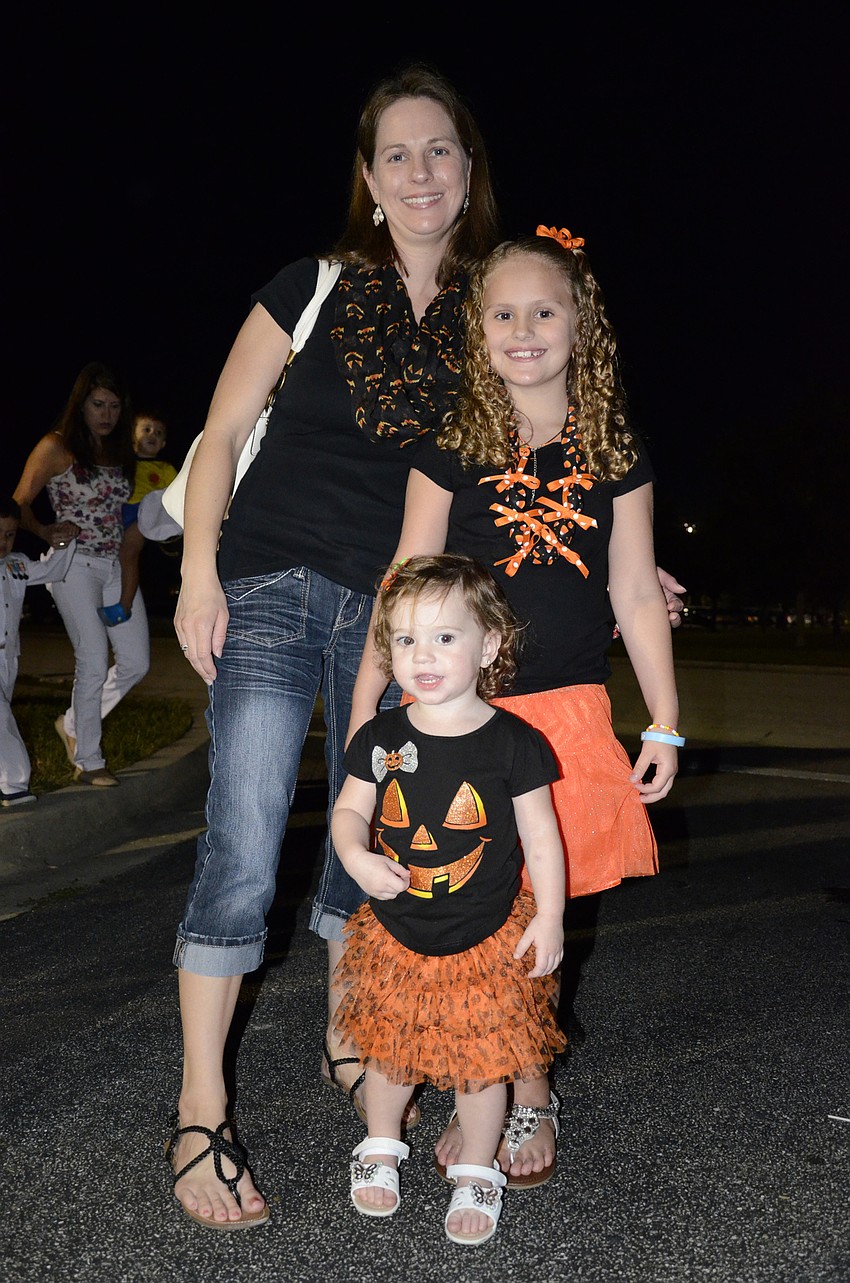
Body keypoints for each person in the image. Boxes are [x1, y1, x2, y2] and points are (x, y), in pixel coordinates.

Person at [168, 63, 683, 1229]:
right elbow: (222, 427)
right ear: (366, 176)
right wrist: (199, 569)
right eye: (394, 152)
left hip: (406, 618)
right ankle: (201, 1107)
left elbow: (532, 438)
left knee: (386, 842)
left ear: (469, 171)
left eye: (439, 150)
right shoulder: (309, 286)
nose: (417, 171)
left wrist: (622, 557)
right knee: (247, 837)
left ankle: (361, 1040)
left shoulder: (485, 302)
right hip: (275, 581)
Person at [347, 227, 683, 1188]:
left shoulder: (616, 450)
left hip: (569, 718)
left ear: (582, 326)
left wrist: (661, 715)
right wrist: (374, 701)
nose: (523, 329)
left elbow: (630, 589)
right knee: (479, 910)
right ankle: (490, 1077)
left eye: (545, 310)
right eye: (503, 313)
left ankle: (522, 1090)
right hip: (465, 723)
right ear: (477, 328)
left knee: (541, 915)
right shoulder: (450, 442)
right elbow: (405, 578)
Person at [332, 553, 566, 1246]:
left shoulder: (514, 743)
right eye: (405, 640)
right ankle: (380, 1142)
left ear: (488, 645)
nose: (421, 655)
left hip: (487, 932)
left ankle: (475, 1167)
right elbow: (350, 811)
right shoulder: (381, 739)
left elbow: (543, 838)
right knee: (388, 1050)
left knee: (482, 1057)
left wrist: (550, 914)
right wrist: (354, 854)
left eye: (443, 637)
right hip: (398, 929)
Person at [12, 361, 150, 787]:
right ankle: (89, 760)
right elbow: (19, 501)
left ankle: (72, 723)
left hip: (114, 565)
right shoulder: (58, 446)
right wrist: (44, 529)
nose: (106, 414)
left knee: (135, 662)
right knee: (92, 660)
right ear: (81, 404)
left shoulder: (119, 451)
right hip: (72, 566)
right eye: (97, 405)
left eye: (113, 406)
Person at [0, 497, 76, 806]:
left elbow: (50, 572)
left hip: (7, 658)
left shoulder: (16, 565)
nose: (3, 542)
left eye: (9, 534)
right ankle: (15, 784)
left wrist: (63, 544)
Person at [97, 410, 178, 626]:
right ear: (132, 438)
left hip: (144, 514)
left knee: (129, 554)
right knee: (113, 555)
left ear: (163, 444)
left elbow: (176, 494)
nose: (153, 434)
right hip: (118, 513)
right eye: (146, 429)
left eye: (159, 433)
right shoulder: (121, 463)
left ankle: (125, 606)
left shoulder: (164, 468)